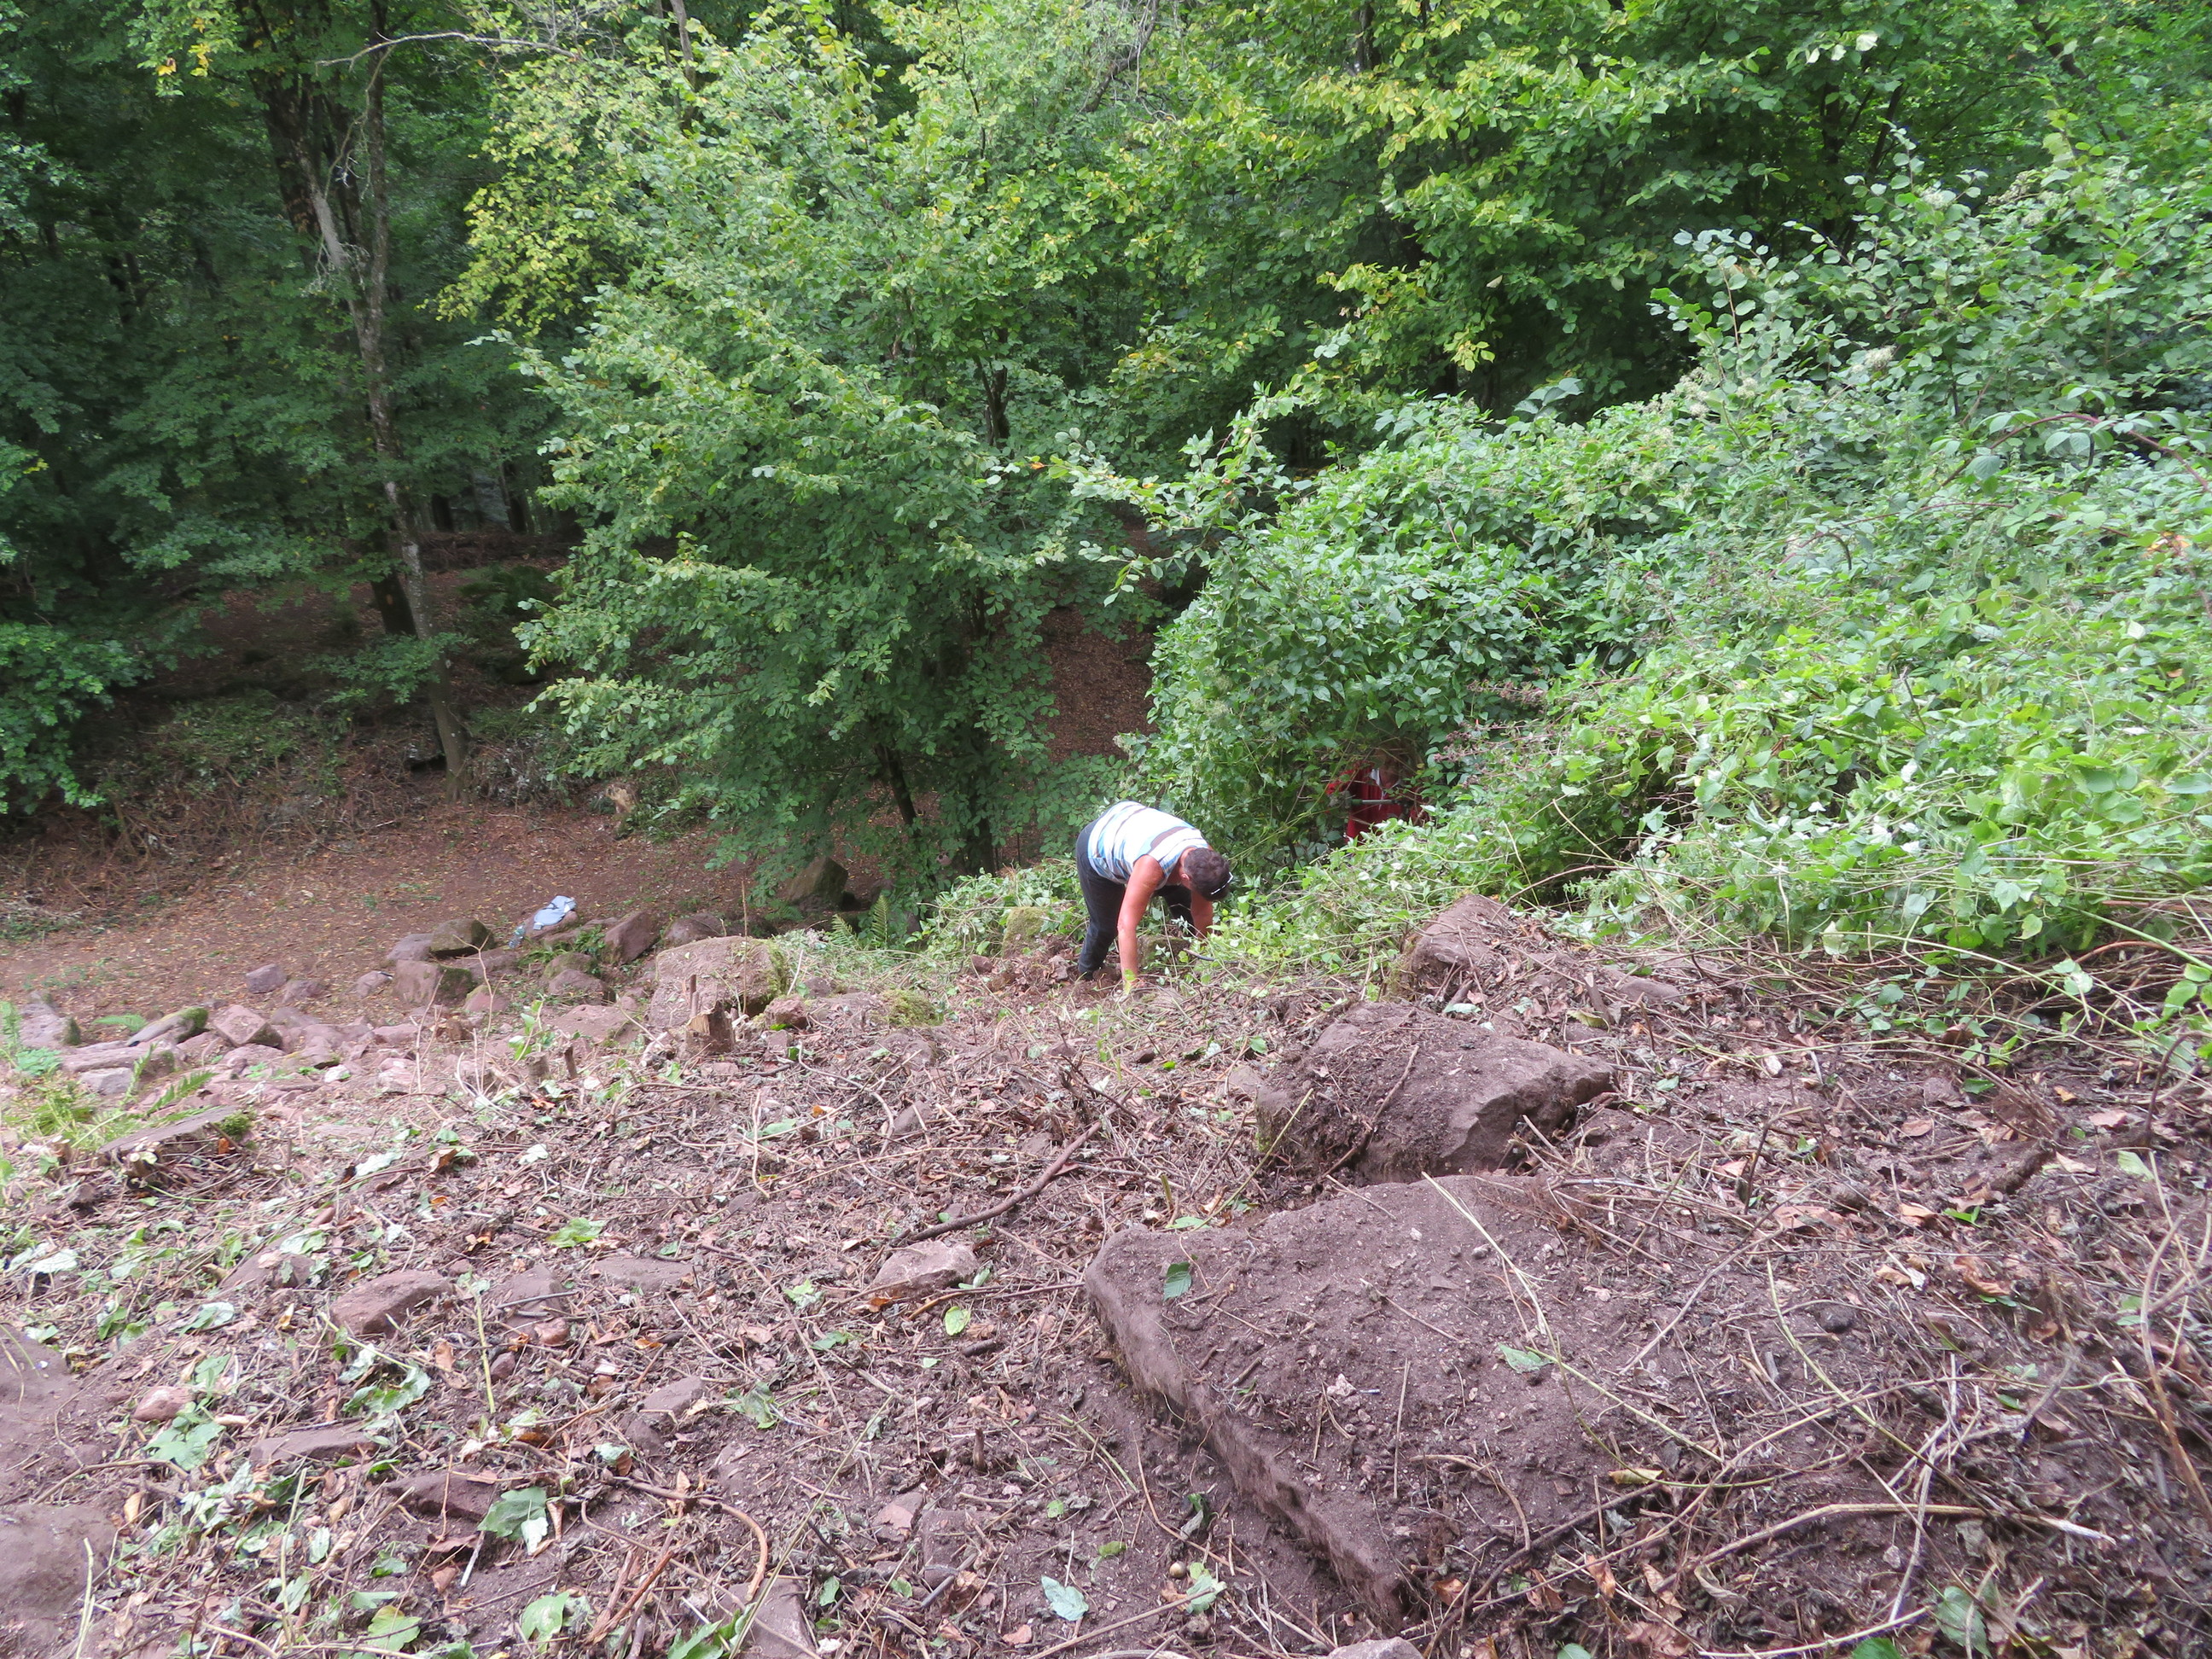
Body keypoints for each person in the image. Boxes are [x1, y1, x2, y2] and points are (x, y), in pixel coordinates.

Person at [1074, 801, 1232, 989]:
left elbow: (1202, 911)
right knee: (1106, 925)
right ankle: (1087, 975)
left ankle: (1192, 954)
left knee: (1183, 903)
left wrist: (1206, 958)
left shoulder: (1206, 860)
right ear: (1185, 877)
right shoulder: (1151, 865)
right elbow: (1126, 925)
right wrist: (1131, 983)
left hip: (1135, 827)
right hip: (1097, 845)